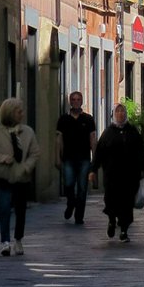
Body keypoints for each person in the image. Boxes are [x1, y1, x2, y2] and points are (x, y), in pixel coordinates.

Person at [0, 98, 40, 257]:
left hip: (21, 177)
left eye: (21, 111)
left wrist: (27, 166)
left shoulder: (28, 132)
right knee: (4, 208)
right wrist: (2, 158)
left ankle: (18, 239)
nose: (21, 114)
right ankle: (5, 242)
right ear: (9, 113)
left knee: (20, 210)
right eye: (18, 111)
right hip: (3, 176)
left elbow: (35, 153)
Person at [93, 100, 144, 242]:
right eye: (117, 111)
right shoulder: (108, 133)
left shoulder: (133, 132)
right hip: (111, 175)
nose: (120, 114)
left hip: (130, 176)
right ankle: (112, 220)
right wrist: (93, 169)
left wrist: (142, 170)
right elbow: (99, 152)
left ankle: (124, 230)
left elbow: (141, 152)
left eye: (122, 111)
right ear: (113, 114)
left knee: (127, 203)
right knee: (111, 200)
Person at [54, 89, 96, 225]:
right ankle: (70, 203)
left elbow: (93, 139)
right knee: (68, 184)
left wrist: (95, 159)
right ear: (70, 102)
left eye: (78, 99)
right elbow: (58, 139)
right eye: (73, 99)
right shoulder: (63, 119)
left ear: (82, 101)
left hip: (84, 158)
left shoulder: (88, 119)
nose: (76, 102)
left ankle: (79, 215)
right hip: (68, 158)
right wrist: (57, 157)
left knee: (83, 188)